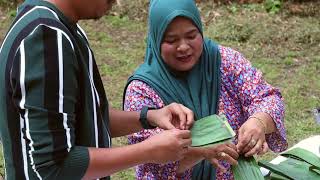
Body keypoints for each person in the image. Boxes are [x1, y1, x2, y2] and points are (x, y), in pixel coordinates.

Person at [0, 0, 201, 179]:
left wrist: (150, 117)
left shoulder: (59, 27)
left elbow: (83, 119)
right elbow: (54, 166)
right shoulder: (47, 37)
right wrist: (148, 151)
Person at [123, 0, 288, 179]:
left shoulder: (224, 62)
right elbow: (149, 162)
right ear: (155, 39)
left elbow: (267, 98)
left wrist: (259, 123)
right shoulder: (142, 89)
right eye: (171, 40)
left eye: (191, 36)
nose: (183, 47)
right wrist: (200, 151)